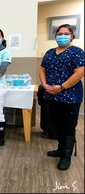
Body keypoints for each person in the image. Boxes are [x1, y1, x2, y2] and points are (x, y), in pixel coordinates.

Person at [39, 24, 84, 170]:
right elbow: (42, 69)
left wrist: (62, 87)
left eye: (66, 33)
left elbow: (79, 73)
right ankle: (59, 149)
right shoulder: (50, 52)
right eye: (59, 33)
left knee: (68, 127)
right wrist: (44, 84)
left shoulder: (77, 52)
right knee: (57, 125)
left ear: (71, 36)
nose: (62, 36)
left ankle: (66, 157)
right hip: (52, 96)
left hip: (70, 97)